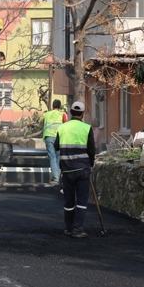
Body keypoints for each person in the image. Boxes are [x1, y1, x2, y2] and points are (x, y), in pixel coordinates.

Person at [54, 101, 96, 238]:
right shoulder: (87, 128)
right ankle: (78, 229)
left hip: (67, 169)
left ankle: (68, 228)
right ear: (83, 114)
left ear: (71, 112)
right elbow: (91, 150)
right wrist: (91, 165)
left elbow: (56, 147)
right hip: (83, 168)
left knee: (69, 201)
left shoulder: (62, 128)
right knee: (82, 200)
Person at [43, 99, 67, 184]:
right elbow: (65, 125)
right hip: (59, 137)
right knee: (58, 157)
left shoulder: (46, 114)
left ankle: (56, 178)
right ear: (59, 106)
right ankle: (58, 177)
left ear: (53, 106)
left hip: (49, 137)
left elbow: (43, 124)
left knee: (52, 157)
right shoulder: (62, 114)